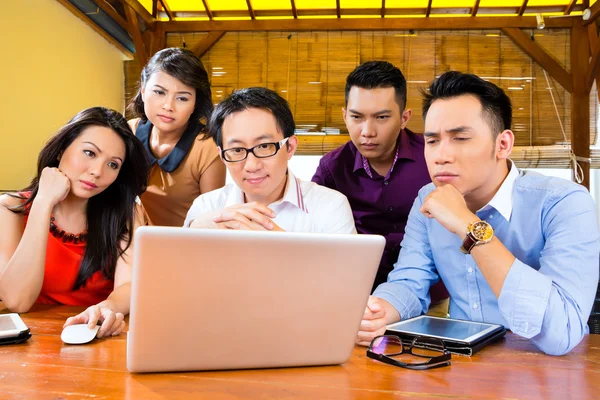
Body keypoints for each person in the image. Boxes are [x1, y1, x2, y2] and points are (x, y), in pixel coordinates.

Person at [356, 71, 600, 356]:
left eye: (460, 138)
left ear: (503, 145)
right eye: (432, 141)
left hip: (549, 368)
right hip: (460, 362)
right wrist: (379, 311)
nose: (440, 156)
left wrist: (468, 224)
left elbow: (563, 333)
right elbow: (410, 281)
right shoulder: (427, 200)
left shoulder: (565, 203)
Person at [0, 107, 150, 338]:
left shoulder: (126, 213)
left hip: (96, 334)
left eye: (113, 164)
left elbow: (129, 285)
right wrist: (43, 202)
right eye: (90, 153)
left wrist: (107, 308)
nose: (97, 171)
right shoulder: (10, 209)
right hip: (32, 340)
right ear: (61, 150)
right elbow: (18, 301)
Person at [312, 61, 449, 308]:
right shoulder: (331, 168)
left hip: (433, 297)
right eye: (356, 117)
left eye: (382, 117)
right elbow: (310, 226)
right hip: (357, 300)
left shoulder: (434, 158)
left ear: (404, 118)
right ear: (345, 116)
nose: (367, 131)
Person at [184, 87, 355, 234]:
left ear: (290, 147)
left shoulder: (330, 207)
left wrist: (282, 246)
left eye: (264, 147)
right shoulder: (206, 208)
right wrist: (198, 229)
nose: (252, 166)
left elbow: (346, 273)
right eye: (237, 150)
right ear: (222, 155)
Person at [128, 47, 226, 226]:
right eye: (159, 92)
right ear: (143, 90)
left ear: (195, 103)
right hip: (144, 240)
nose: (168, 106)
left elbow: (214, 222)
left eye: (182, 98)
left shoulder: (208, 147)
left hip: (191, 244)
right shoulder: (129, 132)